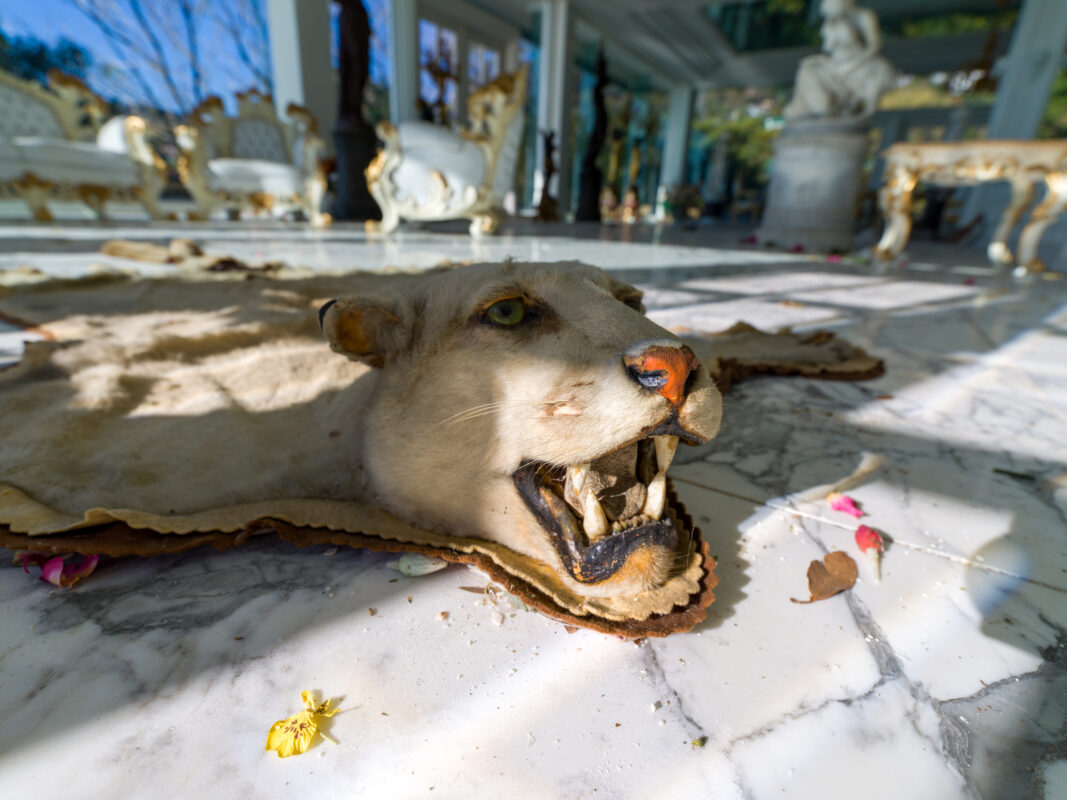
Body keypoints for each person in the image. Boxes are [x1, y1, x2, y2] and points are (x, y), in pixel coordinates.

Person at [783, 0, 895, 121]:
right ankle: (810, 106)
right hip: (836, 64)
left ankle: (820, 107)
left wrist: (851, 66)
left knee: (810, 71)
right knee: (808, 68)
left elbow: (874, 46)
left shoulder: (864, 16)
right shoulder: (829, 24)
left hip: (857, 62)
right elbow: (828, 48)